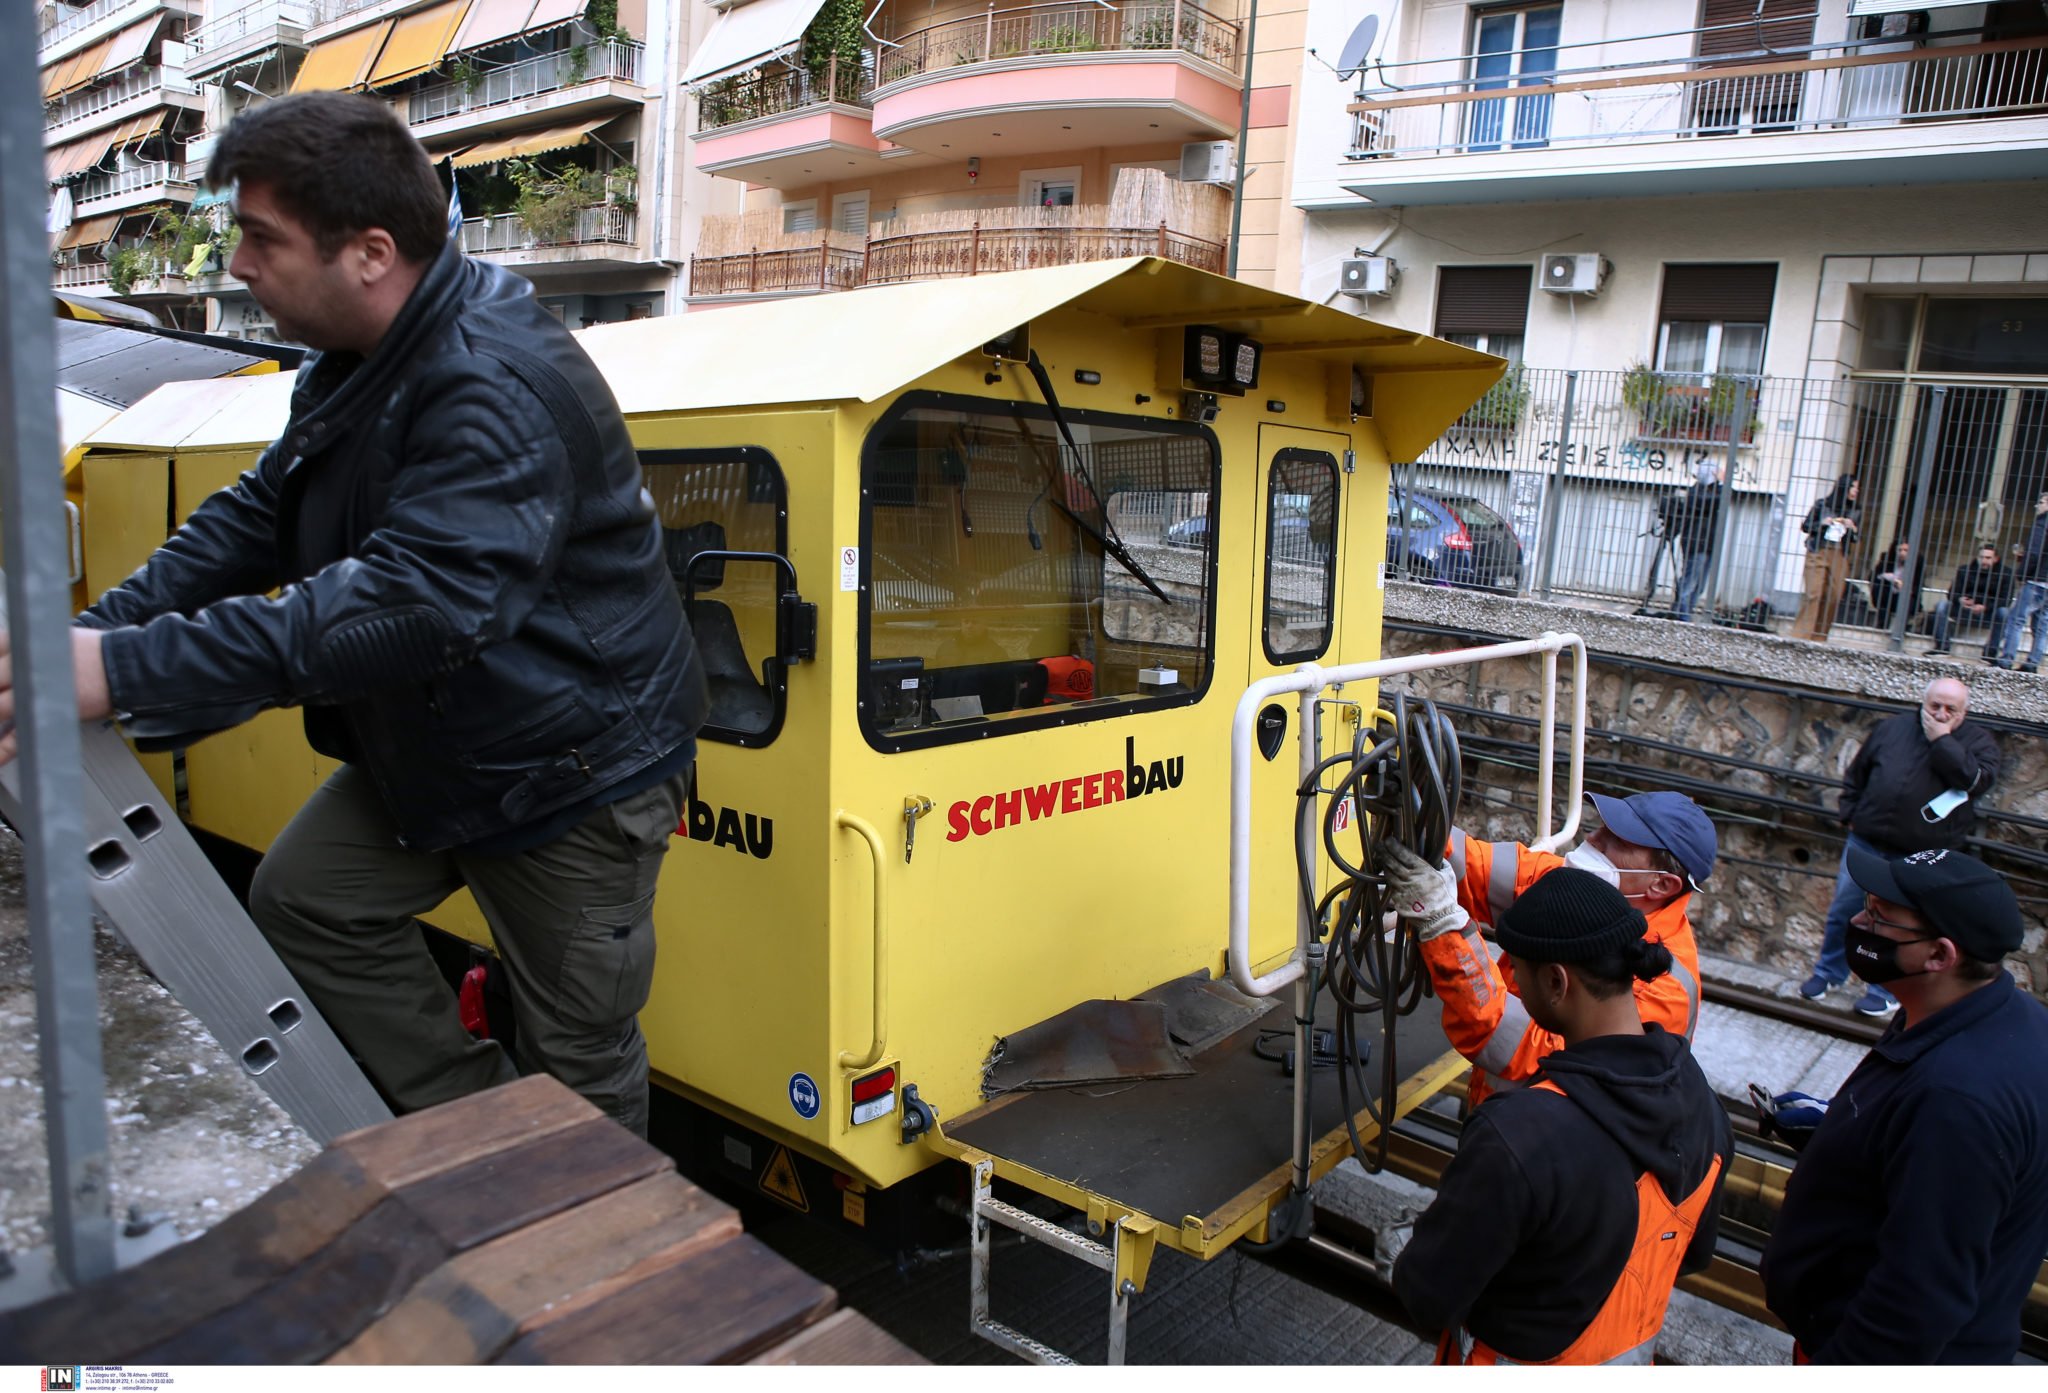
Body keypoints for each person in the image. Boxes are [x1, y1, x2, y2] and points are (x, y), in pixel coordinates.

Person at [0, 93, 708, 1136]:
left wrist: (125, 671)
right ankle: (491, 1135)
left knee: (580, 1051)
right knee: (307, 901)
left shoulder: (491, 384)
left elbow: (417, 604)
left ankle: (586, 1207)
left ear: (370, 252)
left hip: (572, 773)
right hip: (449, 739)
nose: (238, 264)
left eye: (261, 238)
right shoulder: (362, 358)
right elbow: (261, 512)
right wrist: (99, 636)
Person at [1389, 868, 1732, 1365]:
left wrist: (1414, 1249)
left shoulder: (1517, 1138)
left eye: (1517, 972)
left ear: (1555, 981)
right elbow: (1691, 1254)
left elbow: (1426, 1297)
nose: (1514, 985)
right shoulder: (1705, 1105)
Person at [1763, 848, 2048, 1364]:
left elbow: (1914, 1304)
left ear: (1939, 955)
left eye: (1880, 916)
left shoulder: (1956, 1101)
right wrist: (1843, 1133)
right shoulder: (1979, 1014)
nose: (1858, 923)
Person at [1423, 791, 1716, 1108]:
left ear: (1661, 884)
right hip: (1499, 1117)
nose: (1592, 838)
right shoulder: (1577, 889)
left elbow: (1526, 1050)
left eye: (1616, 840)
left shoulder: (1664, 991)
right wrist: (1416, 817)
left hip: (1538, 1130)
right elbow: (1474, 866)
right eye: (1602, 828)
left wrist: (1444, 927)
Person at [1799, 678, 1998, 1017]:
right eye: (1934, 706)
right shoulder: (1893, 728)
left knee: (1901, 927)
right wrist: (1850, 814)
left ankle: (1886, 990)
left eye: (1950, 709)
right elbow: (1858, 773)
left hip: (1921, 855)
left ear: (1963, 713)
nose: (1940, 714)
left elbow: (1974, 781)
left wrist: (1942, 741)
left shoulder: (1979, 742)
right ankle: (1828, 972)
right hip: (1866, 842)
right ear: (1923, 703)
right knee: (1845, 912)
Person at [1792, 474, 1861, 642]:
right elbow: (1806, 526)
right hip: (1819, 550)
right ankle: (1801, 635)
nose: (1856, 491)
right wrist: (1823, 523)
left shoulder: (1855, 510)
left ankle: (1819, 636)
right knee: (1814, 593)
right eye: (1853, 487)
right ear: (1844, 487)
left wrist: (1852, 528)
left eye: (1857, 488)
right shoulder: (1822, 504)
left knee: (1834, 595)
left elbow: (1856, 538)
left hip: (1839, 554)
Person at [1989, 490, 2047, 672]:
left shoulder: (2042, 523)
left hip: (2036, 580)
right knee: (2042, 624)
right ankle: (2033, 663)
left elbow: (2034, 553)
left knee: (2016, 619)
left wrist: (2022, 574)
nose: (2038, 506)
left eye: (2042, 502)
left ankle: (2006, 659)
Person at [1928, 542, 2012, 656]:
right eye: (1981, 557)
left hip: (1988, 612)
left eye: (1988, 558)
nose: (1983, 561)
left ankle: (1990, 652)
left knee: (2004, 613)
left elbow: (2006, 599)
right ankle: (1942, 646)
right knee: (1941, 606)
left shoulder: (2006, 574)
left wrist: (1985, 607)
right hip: (1964, 609)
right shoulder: (1965, 570)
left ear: (1996, 559)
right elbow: (1952, 593)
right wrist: (1960, 600)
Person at [1670, 463, 1724, 624]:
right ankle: (1682, 613)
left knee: (1700, 585)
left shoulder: (1714, 491)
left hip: (1709, 544)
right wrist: (1722, 483)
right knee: (1690, 581)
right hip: (1696, 542)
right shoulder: (1696, 493)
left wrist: (1721, 484)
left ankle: (1686, 610)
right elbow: (1715, 501)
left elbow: (1728, 496)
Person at [1868, 537, 1926, 633]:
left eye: (1906, 550)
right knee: (1879, 588)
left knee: (1908, 600)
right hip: (1888, 596)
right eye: (1900, 550)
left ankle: (1901, 629)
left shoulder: (1918, 562)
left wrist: (1905, 587)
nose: (1902, 553)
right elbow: (1873, 577)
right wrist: (1888, 577)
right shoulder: (1886, 559)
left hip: (1907, 598)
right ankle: (1882, 626)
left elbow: (1919, 585)